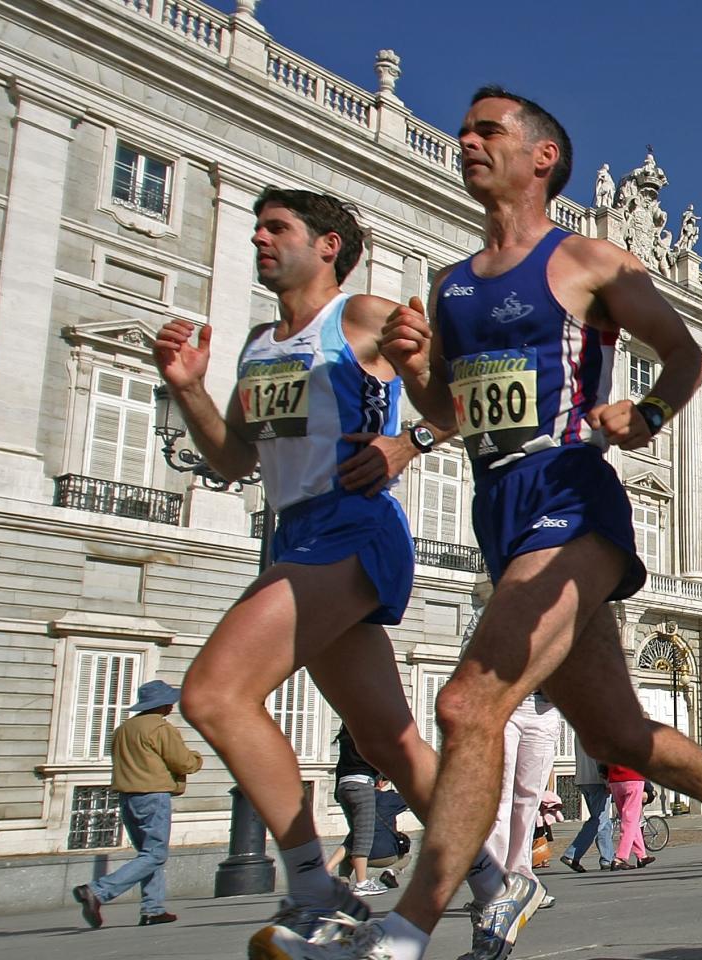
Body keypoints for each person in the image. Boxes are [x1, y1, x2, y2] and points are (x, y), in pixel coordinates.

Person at [296, 87, 702, 960]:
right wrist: (414, 394)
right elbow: (448, 408)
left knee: (466, 702)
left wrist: (647, 413)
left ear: (542, 159)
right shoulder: (446, 284)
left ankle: (404, 934)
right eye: (464, 130)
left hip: (571, 498)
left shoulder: (590, 262)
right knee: (612, 732)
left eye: (488, 130)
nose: (466, 140)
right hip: (500, 511)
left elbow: (685, 353)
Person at [153, 188, 512, 960]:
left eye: (276, 228)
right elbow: (232, 459)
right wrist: (187, 389)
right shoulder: (256, 345)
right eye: (256, 228)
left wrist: (408, 441)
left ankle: (315, 887)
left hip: (354, 528)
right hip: (298, 535)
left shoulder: (359, 318)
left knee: (215, 694)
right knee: (390, 742)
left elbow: (464, 396)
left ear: (327, 248)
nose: (258, 238)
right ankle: (491, 878)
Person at [72, 680, 201, 929]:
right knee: (155, 854)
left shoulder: (123, 729)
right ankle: (98, 891)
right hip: (153, 794)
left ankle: (153, 909)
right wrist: (196, 758)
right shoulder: (160, 729)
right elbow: (183, 762)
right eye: (169, 702)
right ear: (163, 705)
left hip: (127, 796)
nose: (172, 706)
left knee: (148, 855)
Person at [480, 692, 564, 909]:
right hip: (504, 703)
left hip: (544, 709)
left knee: (530, 801)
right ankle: (492, 883)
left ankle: (521, 876)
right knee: (500, 796)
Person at [326, 726, 389, 896]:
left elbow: (340, 765)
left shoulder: (346, 737)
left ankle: (325, 871)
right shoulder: (367, 732)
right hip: (362, 785)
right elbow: (375, 758)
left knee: (356, 834)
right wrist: (383, 776)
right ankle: (362, 882)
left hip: (344, 786)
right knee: (365, 836)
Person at [559, 737, 616, 871]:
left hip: (582, 778)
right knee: (598, 821)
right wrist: (608, 782)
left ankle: (607, 858)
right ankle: (572, 854)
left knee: (604, 821)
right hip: (597, 780)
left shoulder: (581, 731)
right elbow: (602, 759)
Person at [605, 763, 653, 870]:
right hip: (633, 776)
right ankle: (620, 858)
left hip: (615, 779)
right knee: (630, 820)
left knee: (628, 819)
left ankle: (641, 855)